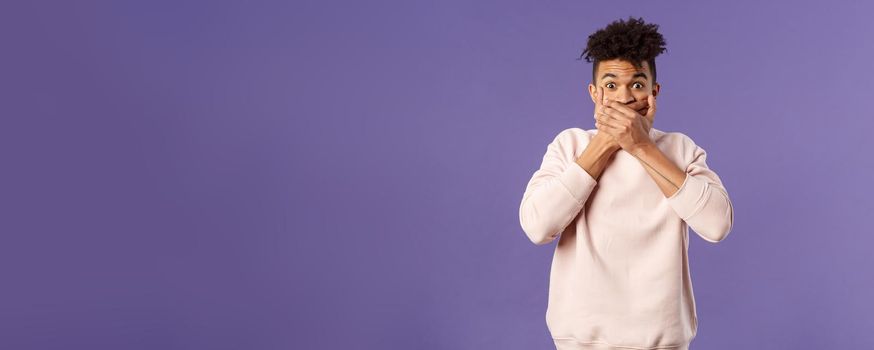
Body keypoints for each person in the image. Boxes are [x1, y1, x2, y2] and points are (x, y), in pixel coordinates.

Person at [518, 16, 734, 350]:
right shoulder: (570, 146)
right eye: (610, 85)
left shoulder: (680, 149)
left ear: (653, 91)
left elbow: (717, 224)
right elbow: (537, 226)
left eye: (636, 84)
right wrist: (605, 143)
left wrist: (641, 147)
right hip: (580, 343)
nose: (624, 97)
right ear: (594, 93)